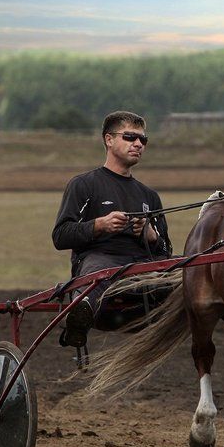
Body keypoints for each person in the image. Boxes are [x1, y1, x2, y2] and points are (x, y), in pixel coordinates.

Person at [52, 111, 171, 348]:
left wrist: (150, 235)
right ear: (109, 139)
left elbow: (166, 250)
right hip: (100, 260)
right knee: (99, 270)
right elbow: (61, 235)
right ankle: (79, 316)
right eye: (130, 137)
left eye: (143, 140)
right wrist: (99, 225)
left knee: (188, 268)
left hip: (142, 265)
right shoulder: (84, 185)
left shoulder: (149, 196)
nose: (138, 144)